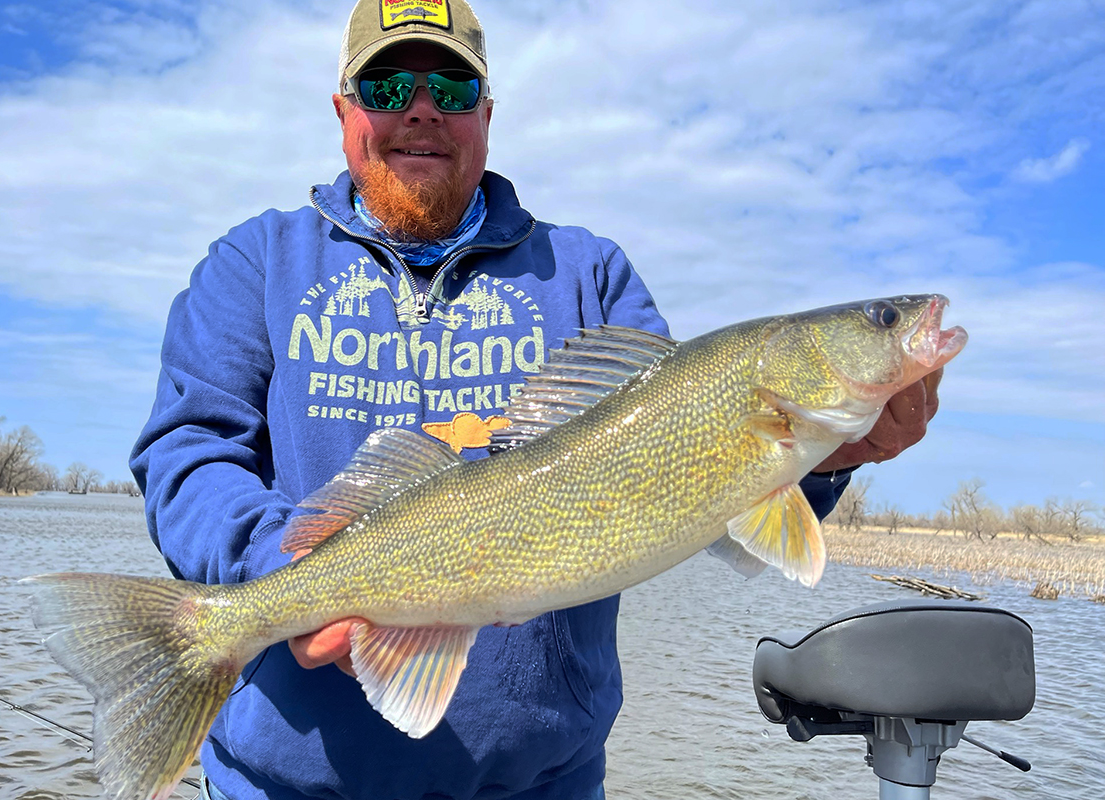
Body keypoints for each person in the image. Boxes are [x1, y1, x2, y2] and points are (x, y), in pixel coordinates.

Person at [130, 1, 942, 798]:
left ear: (486, 111)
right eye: (386, 89)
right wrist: (280, 566)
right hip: (284, 786)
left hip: (541, 784)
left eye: (450, 91)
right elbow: (188, 451)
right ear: (344, 109)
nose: (421, 111)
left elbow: (719, 518)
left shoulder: (590, 275)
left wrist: (829, 457)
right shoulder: (255, 263)